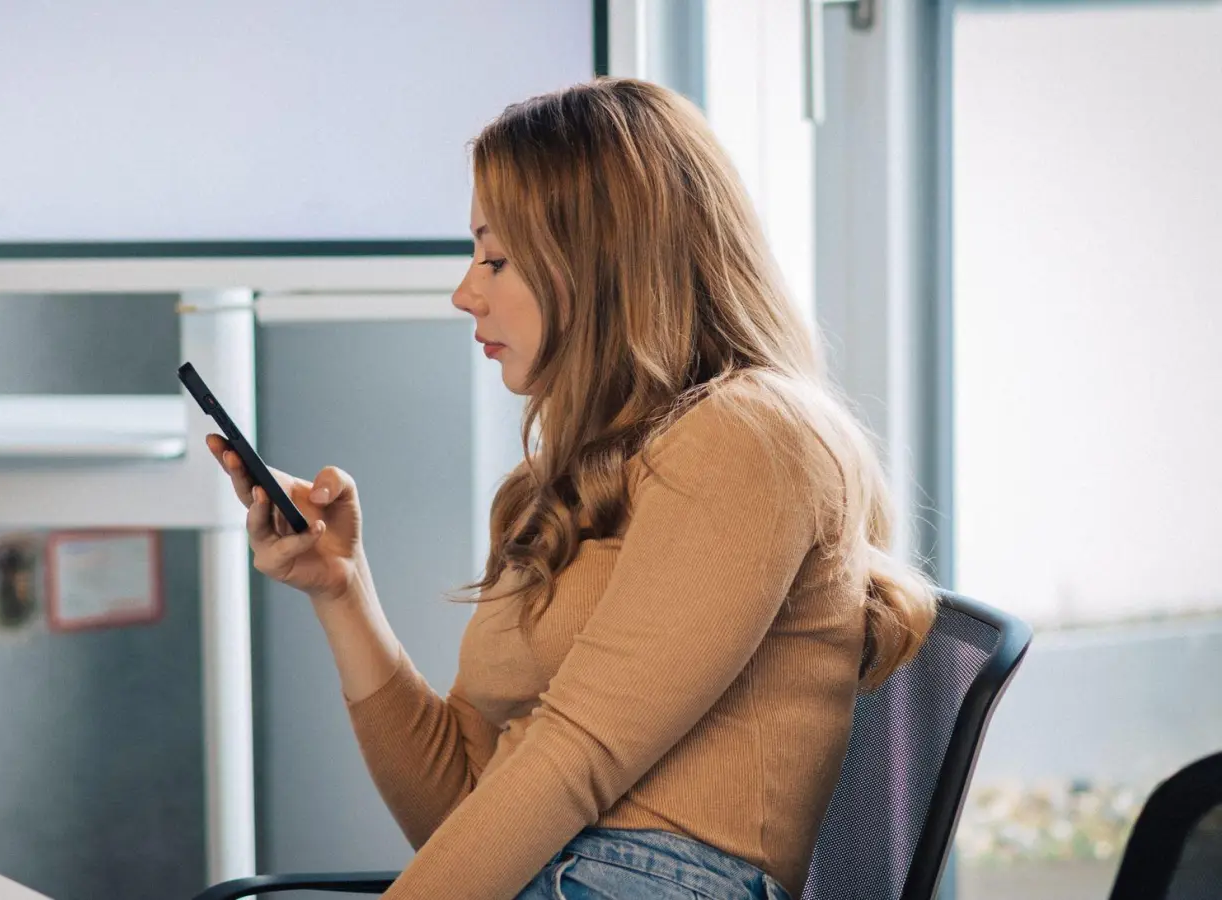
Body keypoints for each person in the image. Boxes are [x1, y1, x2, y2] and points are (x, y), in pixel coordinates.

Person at [205, 78, 937, 900]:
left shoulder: (754, 435)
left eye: (496, 257)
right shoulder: (569, 481)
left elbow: (575, 753)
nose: (465, 292)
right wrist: (341, 589)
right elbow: (462, 808)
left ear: (604, 261)